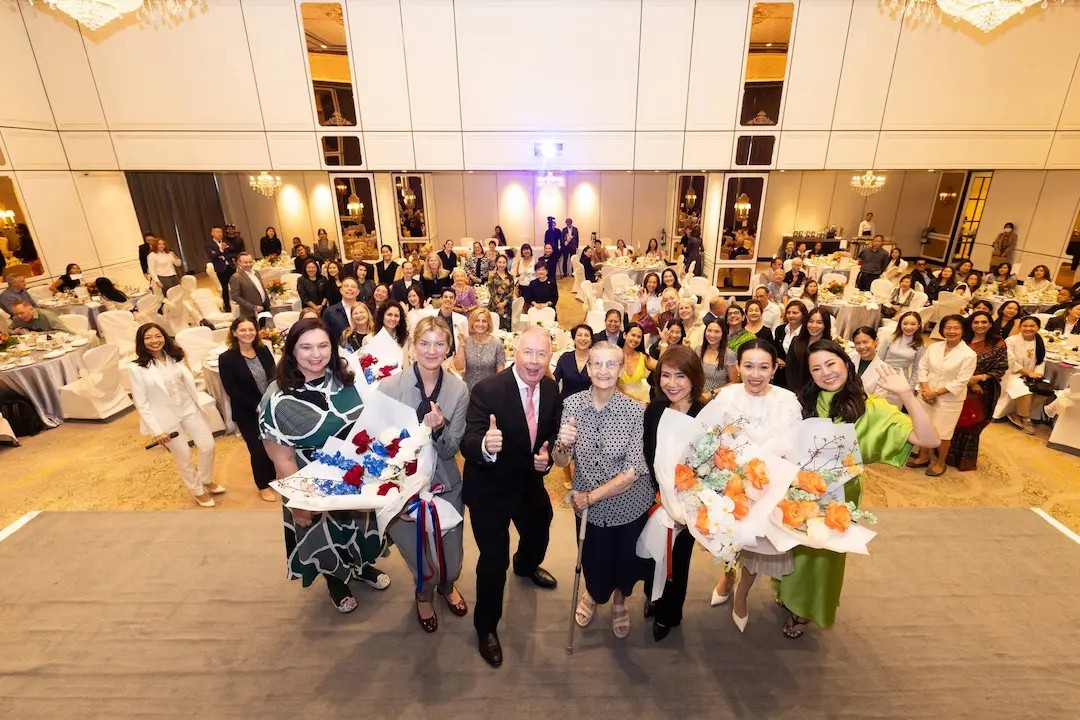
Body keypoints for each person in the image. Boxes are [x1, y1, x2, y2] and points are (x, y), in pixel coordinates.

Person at [775, 341, 938, 638]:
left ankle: (805, 610)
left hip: (838, 496)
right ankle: (787, 593)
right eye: (816, 368)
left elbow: (929, 440)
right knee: (792, 548)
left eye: (831, 364)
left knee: (822, 557)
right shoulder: (804, 403)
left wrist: (906, 395)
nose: (825, 373)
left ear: (846, 364)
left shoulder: (871, 407)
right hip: (797, 489)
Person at [260, 318, 390, 613]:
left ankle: (362, 567)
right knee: (325, 533)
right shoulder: (278, 397)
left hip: (354, 472)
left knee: (359, 525)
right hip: (310, 479)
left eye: (322, 345)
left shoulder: (347, 378)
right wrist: (300, 503)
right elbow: (282, 458)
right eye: (306, 347)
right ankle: (336, 580)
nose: (316, 354)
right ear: (292, 350)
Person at [461, 326, 562, 668]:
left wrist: (547, 459)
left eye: (541, 354)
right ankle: (486, 627)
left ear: (550, 357)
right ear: (514, 353)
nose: (534, 361)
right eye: (527, 352)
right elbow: (468, 440)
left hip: (528, 482)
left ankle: (526, 565)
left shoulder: (551, 389)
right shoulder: (488, 389)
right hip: (489, 487)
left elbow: (550, 434)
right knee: (494, 562)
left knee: (541, 526)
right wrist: (485, 445)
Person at [551, 339, 652, 642]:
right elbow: (561, 461)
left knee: (624, 560)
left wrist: (591, 497)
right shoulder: (572, 404)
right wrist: (563, 444)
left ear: (621, 369)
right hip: (587, 508)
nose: (604, 370)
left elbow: (633, 472)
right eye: (597, 363)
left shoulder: (635, 411)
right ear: (589, 368)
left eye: (611, 364)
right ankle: (593, 594)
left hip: (626, 505)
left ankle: (620, 602)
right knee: (592, 557)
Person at [378, 316, 470, 632]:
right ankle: (424, 594)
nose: (432, 350)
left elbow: (451, 448)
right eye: (425, 343)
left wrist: (440, 428)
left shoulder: (458, 389)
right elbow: (377, 446)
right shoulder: (389, 387)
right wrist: (398, 493)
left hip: (445, 484)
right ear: (413, 346)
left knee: (452, 565)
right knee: (425, 567)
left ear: (448, 349)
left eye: (439, 344)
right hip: (401, 489)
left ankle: (447, 586)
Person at [710, 340, 803, 634]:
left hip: (770, 487)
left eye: (764, 367)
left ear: (775, 369)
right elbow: (712, 439)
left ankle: (742, 593)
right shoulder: (725, 397)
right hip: (730, 482)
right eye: (748, 366)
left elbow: (794, 446)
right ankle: (728, 577)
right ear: (738, 367)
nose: (755, 374)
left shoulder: (788, 401)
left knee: (755, 545)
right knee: (729, 538)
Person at [640, 346, 703, 639]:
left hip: (690, 502)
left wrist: (684, 501)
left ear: (694, 377)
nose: (672, 383)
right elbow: (648, 452)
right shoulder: (655, 409)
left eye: (680, 376)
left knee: (678, 560)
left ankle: (669, 614)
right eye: (665, 375)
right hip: (656, 498)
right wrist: (659, 495)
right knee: (653, 552)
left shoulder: (705, 414)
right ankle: (652, 597)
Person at [128, 323, 222, 508]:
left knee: (208, 445)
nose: (154, 341)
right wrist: (156, 430)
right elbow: (141, 402)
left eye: (158, 336)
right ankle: (197, 490)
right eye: (148, 338)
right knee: (184, 455)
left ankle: (205, 478)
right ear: (141, 341)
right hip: (165, 417)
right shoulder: (137, 368)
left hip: (188, 409)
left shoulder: (175, 357)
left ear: (165, 337)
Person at [907, 315, 977, 476]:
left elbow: (961, 381)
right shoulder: (934, 347)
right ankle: (923, 455)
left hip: (949, 400)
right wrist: (926, 390)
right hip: (925, 394)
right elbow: (923, 368)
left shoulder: (968, 354)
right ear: (942, 330)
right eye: (948, 327)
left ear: (963, 330)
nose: (952, 331)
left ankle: (940, 462)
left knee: (943, 433)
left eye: (956, 328)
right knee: (922, 426)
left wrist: (935, 393)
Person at [217, 318, 277, 502]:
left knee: (274, 444)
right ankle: (263, 485)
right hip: (247, 412)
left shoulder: (263, 350)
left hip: (270, 406)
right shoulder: (227, 358)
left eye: (251, 329)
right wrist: (256, 406)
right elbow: (232, 390)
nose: (247, 333)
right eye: (242, 330)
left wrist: (272, 399)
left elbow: (274, 376)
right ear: (234, 332)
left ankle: (273, 475)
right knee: (257, 448)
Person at [945, 312, 1008, 471]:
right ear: (970, 324)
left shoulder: (998, 344)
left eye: (984, 322)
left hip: (982, 390)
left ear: (990, 324)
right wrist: (968, 381)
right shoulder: (962, 340)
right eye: (976, 322)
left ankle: (962, 459)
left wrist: (978, 378)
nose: (980, 325)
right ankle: (942, 454)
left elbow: (1000, 368)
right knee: (950, 421)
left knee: (971, 424)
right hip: (956, 386)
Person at [995, 316, 1048, 435]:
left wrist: (1038, 373)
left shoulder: (1039, 341)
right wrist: (1027, 373)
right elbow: (1010, 361)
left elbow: (1041, 360)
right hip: (1012, 374)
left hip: (1032, 374)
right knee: (1023, 390)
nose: (1028, 329)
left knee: (1046, 392)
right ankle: (1026, 418)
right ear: (1020, 327)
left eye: (1032, 326)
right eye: (1025, 326)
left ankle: (1016, 413)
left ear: (1038, 328)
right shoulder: (1011, 341)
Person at [876, 311, 925, 406]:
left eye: (913, 324)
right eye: (905, 323)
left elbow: (916, 368)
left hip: (901, 379)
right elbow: (878, 359)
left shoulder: (920, 345)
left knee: (894, 408)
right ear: (900, 324)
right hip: (882, 376)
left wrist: (911, 388)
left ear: (919, 326)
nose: (908, 327)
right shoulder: (890, 338)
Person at [454, 307, 505, 392]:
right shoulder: (466, 341)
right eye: (477, 320)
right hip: (468, 391)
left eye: (484, 321)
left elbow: (500, 373)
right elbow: (459, 367)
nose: (480, 324)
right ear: (472, 322)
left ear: (488, 324)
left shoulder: (497, 344)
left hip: (489, 391)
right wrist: (461, 346)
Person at [785, 307, 831, 394]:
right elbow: (789, 369)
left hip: (819, 392)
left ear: (826, 325)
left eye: (819, 322)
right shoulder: (796, 341)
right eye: (811, 321)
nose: (814, 325)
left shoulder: (829, 347)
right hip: (795, 390)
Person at [773, 300, 807, 389]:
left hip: (798, 376)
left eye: (795, 313)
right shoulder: (780, 330)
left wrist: (788, 364)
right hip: (780, 376)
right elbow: (775, 349)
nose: (791, 315)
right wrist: (777, 358)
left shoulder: (806, 332)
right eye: (788, 313)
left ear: (803, 314)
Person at [554, 324, 593, 399]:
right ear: (574, 338)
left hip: (589, 403)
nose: (583, 338)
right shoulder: (565, 358)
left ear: (591, 340)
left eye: (586, 335)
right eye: (579, 335)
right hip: (565, 403)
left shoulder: (596, 360)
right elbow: (554, 380)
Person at [699, 320, 735, 401]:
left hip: (718, 399)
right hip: (698, 398)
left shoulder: (729, 355)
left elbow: (734, 383)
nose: (712, 335)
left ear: (723, 334)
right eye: (709, 330)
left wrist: (712, 393)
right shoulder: (698, 350)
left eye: (717, 332)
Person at [229, 252, 270, 321]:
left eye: (250, 262)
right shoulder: (236, 277)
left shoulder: (256, 273)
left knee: (264, 326)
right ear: (239, 263)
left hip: (263, 307)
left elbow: (261, 288)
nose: (249, 265)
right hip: (250, 313)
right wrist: (253, 307)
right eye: (245, 263)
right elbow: (235, 296)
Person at [322, 277, 363, 345]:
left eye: (353, 287)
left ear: (358, 292)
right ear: (341, 290)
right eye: (346, 286)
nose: (350, 289)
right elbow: (324, 335)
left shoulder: (365, 310)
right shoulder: (330, 312)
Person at [206, 227, 237, 313]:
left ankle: (238, 303)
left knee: (235, 285)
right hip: (221, 269)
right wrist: (221, 250)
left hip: (230, 267)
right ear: (212, 233)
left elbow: (234, 253)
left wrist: (223, 257)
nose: (219, 234)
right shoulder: (209, 245)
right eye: (216, 232)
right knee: (225, 288)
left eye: (220, 232)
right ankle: (227, 306)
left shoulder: (226, 242)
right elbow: (213, 256)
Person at [618, 324, 652, 403]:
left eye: (639, 337)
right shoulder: (614, 355)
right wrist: (635, 401)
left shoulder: (643, 357)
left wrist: (664, 343)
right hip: (619, 402)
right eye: (633, 335)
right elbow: (611, 386)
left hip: (643, 401)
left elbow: (662, 366)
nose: (635, 339)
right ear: (624, 335)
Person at [849, 326, 885, 395]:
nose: (862, 347)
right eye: (857, 343)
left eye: (865, 342)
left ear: (876, 341)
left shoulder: (883, 369)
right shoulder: (850, 357)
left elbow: (878, 398)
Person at [487, 254, 514, 332]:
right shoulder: (492, 275)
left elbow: (511, 291)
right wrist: (499, 305)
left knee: (506, 329)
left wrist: (504, 303)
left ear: (506, 264)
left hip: (506, 306)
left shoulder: (510, 276)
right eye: (499, 262)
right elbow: (491, 291)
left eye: (503, 262)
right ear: (496, 263)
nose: (501, 264)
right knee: (494, 328)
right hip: (494, 305)